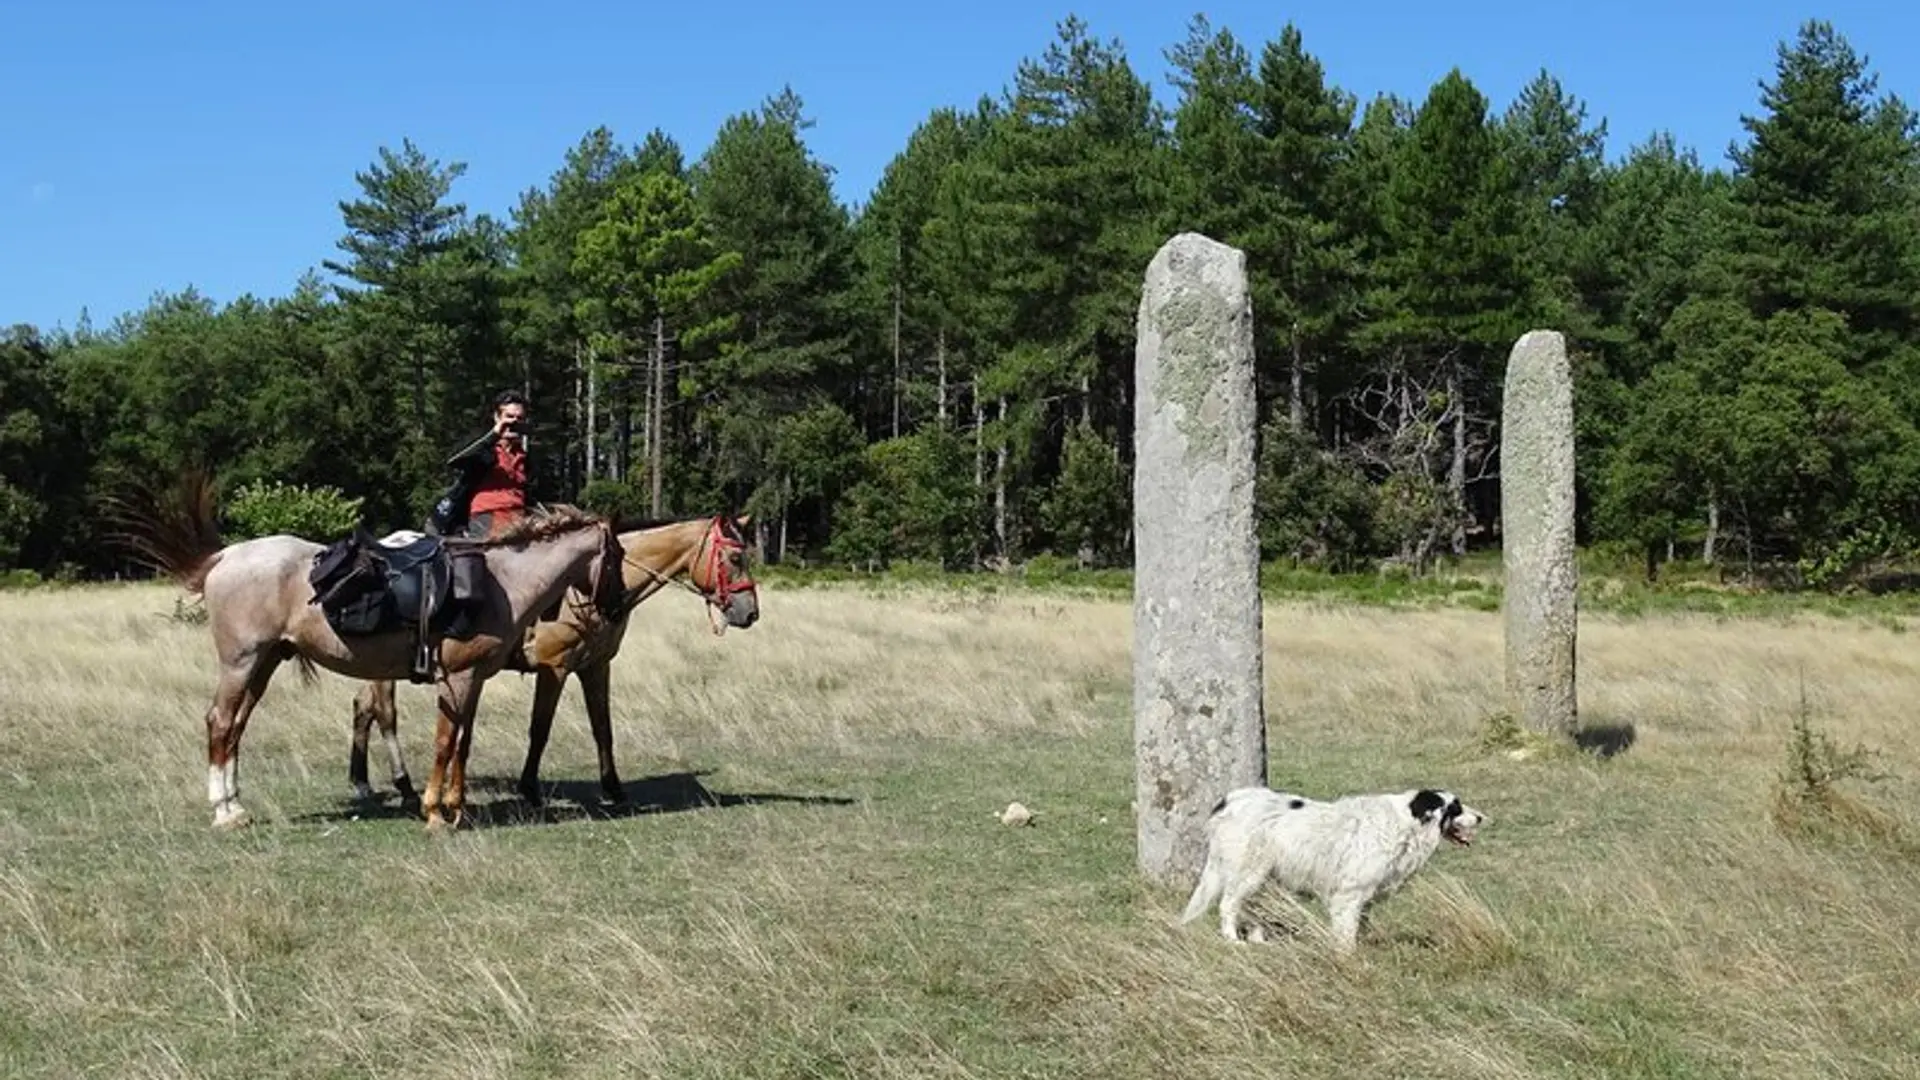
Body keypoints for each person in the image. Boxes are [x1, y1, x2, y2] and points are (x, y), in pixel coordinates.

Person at [427, 390, 532, 540]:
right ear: (497, 417)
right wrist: (495, 434)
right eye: (509, 417)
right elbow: (454, 460)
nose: (514, 423)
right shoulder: (484, 448)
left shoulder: (523, 456)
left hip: (518, 518)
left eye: (519, 418)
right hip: (488, 516)